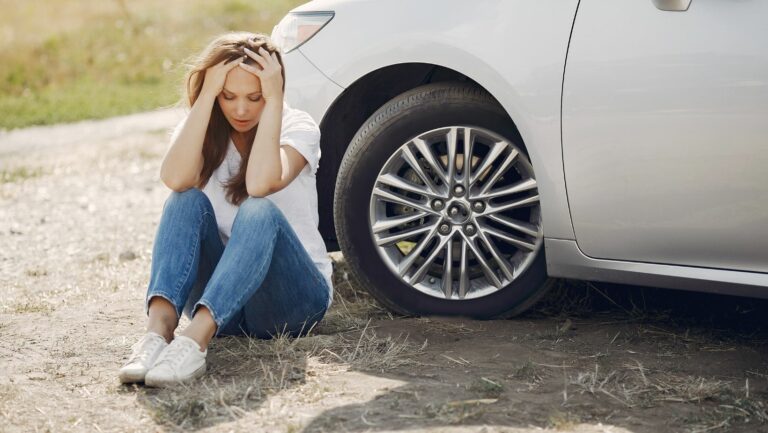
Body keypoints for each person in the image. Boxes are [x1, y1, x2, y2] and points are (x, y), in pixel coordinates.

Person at [118, 32, 333, 387]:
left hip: (292, 301)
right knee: (184, 198)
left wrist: (275, 100)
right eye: (229, 96)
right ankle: (157, 335)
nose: (242, 109)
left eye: (255, 97)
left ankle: (194, 341)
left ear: (273, 90)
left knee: (258, 210)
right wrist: (205, 95)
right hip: (225, 306)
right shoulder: (202, 129)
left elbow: (260, 184)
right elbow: (174, 178)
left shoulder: (298, 127)